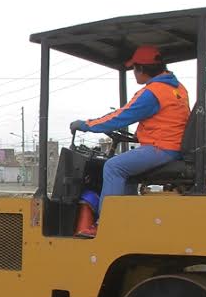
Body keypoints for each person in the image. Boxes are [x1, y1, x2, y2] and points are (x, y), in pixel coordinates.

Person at [70, 45, 190, 233]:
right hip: (173, 147)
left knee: (113, 166)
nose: (134, 73)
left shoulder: (153, 92)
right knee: (128, 172)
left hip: (161, 148)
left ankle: (106, 225)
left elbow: (119, 117)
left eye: (134, 68)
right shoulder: (177, 89)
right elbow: (166, 121)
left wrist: (86, 125)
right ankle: (127, 223)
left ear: (141, 69)